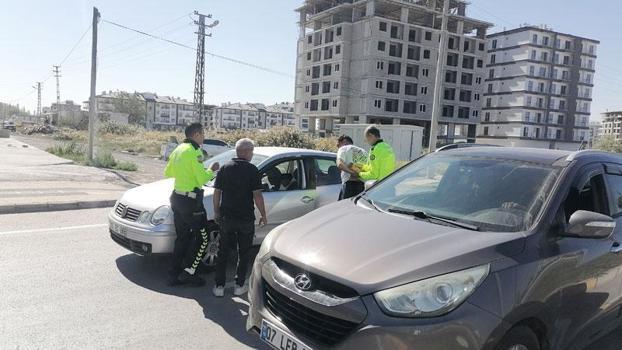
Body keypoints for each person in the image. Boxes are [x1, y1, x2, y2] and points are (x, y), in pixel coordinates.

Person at [164, 122, 219, 287]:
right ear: (196, 134)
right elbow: (202, 179)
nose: (204, 137)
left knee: (182, 237)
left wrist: (185, 175)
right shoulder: (195, 151)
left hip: (177, 198)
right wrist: (212, 169)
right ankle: (190, 272)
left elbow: (168, 172)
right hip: (190, 202)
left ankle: (173, 274)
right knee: (203, 238)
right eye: (203, 134)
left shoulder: (178, 149)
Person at [212, 138, 268, 297]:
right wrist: (263, 214)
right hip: (245, 219)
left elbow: (217, 193)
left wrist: (217, 212)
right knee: (244, 253)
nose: (252, 154)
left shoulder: (224, 168)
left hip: (226, 218)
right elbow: (257, 195)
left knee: (223, 252)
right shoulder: (252, 170)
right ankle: (239, 285)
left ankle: (219, 286)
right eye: (251, 151)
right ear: (246, 152)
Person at [336, 135, 368, 200]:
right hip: (362, 186)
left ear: (344, 142)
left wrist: (352, 173)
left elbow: (339, 164)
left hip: (349, 185)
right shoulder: (364, 151)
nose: (338, 147)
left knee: (344, 208)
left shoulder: (343, 148)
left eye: (338, 145)